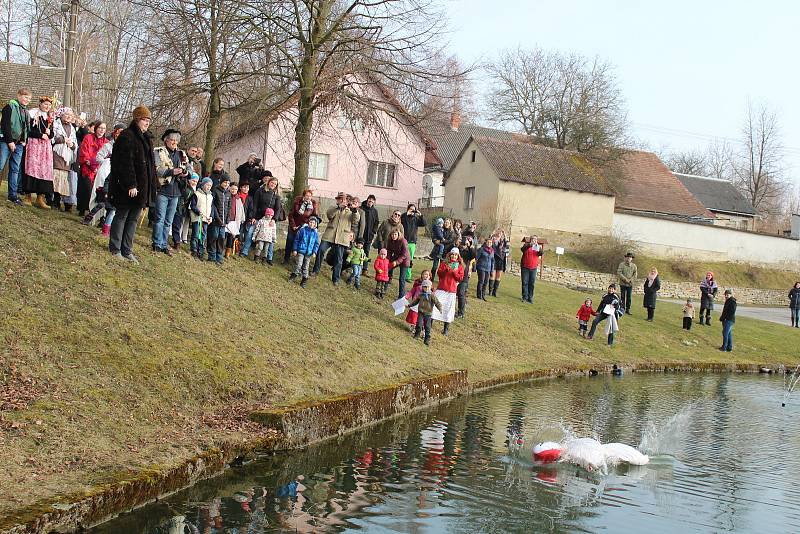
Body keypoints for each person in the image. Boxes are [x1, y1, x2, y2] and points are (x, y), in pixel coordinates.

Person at [108, 105, 156, 264]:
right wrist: (130, 185)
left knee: (133, 219)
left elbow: (149, 166)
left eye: (148, 119)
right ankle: (115, 248)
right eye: (144, 119)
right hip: (127, 187)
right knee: (121, 215)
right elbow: (124, 164)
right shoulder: (127, 136)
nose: (147, 122)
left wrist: (152, 186)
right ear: (136, 120)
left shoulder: (147, 138)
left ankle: (127, 249)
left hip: (142, 188)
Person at [151, 129, 189, 256]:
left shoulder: (181, 154)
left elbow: (188, 169)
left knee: (169, 221)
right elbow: (157, 170)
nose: (174, 142)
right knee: (160, 219)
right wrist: (172, 171)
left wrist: (185, 172)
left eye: (176, 140)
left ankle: (163, 243)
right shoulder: (158, 151)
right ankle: (156, 243)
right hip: (163, 190)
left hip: (176, 191)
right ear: (166, 140)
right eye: (172, 140)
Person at [85, 124, 124, 233]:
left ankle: (105, 221)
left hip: (117, 175)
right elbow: (98, 157)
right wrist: (108, 162)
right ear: (115, 133)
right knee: (102, 198)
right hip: (105, 173)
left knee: (113, 201)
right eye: (118, 132)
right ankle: (92, 216)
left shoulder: (126, 147)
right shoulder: (108, 146)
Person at [313, 192, 359, 284]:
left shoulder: (351, 211)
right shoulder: (333, 208)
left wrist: (354, 210)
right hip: (330, 235)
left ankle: (336, 279)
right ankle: (315, 270)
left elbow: (355, 220)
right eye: (339, 199)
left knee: (339, 258)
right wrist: (338, 207)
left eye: (343, 199)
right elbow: (329, 215)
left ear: (347, 201)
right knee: (321, 250)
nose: (341, 201)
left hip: (342, 237)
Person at [20, 95, 53, 209]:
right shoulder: (33, 114)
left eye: (49, 105)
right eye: (45, 104)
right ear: (40, 104)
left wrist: (50, 133)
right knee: (32, 168)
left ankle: (40, 197)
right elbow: (28, 130)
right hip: (34, 145)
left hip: (45, 148)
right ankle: (28, 196)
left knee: (44, 170)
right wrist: (40, 135)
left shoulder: (49, 117)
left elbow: (52, 134)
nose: (47, 107)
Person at [1, 88, 31, 205]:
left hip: (19, 144)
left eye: (28, 98)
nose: (26, 100)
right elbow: (5, 125)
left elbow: (25, 128)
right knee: (0, 164)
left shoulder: (25, 112)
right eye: (25, 97)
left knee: (15, 170)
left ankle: (12, 195)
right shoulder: (9, 107)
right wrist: (9, 141)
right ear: (18, 96)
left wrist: (24, 140)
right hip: (6, 141)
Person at [77, 122, 108, 216]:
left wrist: (98, 167)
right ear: (96, 128)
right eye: (100, 128)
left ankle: (94, 211)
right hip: (87, 167)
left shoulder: (106, 142)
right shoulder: (88, 137)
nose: (102, 130)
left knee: (97, 191)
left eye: (104, 128)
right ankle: (82, 209)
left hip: (99, 169)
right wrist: (89, 163)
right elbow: (84, 151)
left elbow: (106, 156)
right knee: (86, 189)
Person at [51, 107, 79, 212]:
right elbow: (53, 138)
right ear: (61, 115)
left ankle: (59, 200)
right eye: (66, 115)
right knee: (55, 176)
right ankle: (53, 200)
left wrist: (72, 145)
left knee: (63, 179)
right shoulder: (56, 124)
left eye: (70, 116)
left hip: (67, 156)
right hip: (57, 153)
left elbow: (75, 143)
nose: (68, 117)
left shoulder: (72, 128)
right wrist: (63, 139)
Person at [431, 247, 464, 336]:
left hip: (451, 291)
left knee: (448, 309)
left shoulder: (460, 266)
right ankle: (429, 324)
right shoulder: (444, 263)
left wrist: (454, 272)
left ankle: (445, 329)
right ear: (449, 255)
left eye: (456, 255)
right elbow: (439, 274)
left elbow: (460, 278)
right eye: (452, 254)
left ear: (458, 256)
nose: (453, 256)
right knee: (435, 305)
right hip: (442, 288)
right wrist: (446, 270)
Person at [282, 188, 318, 263]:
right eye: (307, 195)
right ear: (303, 196)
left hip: (304, 227)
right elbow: (291, 214)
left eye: (310, 196)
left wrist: (304, 225)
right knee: (290, 240)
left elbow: (314, 217)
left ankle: (298, 261)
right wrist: (293, 225)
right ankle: (286, 259)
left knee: (301, 242)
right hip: (294, 224)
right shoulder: (297, 202)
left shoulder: (313, 205)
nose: (308, 197)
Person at [408, 279, 443, 346]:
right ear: (422, 287)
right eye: (425, 287)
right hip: (421, 312)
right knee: (419, 324)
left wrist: (440, 308)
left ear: (430, 287)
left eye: (428, 287)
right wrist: (410, 305)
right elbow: (416, 301)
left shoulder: (432, 296)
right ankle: (417, 335)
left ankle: (427, 339)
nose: (426, 288)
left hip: (428, 313)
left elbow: (437, 302)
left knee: (427, 326)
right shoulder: (421, 295)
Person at [289, 216, 320, 288]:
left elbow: (316, 244)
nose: (312, 224)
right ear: (308, 222)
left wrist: (314, 252)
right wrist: (295, 249)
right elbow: (297, 240)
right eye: (310, 222)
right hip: (301, 251)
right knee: (299, 264)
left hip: (309, 253)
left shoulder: (315, 234)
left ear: (315, 224)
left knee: (306, 267)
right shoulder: (302, 230)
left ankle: (304, 280)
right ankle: (293, 275)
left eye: (313, 223)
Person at [208, 174, 231, 264]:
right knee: (214, 237)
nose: (226, 184)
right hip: (215, 220)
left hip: (224, 222)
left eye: (228, 183)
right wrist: (217, 218)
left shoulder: (228, 193)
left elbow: (229, 207)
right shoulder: (215, 190)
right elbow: (213, 206)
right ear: (221, 182)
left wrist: (227, 219)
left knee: (221, 238)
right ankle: (212, 255)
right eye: (225, 182)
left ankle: (219, 256)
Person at [189, 177, 213, 259]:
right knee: (196, 234)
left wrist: (211, 216)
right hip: (197, 218)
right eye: (207, 185)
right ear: (203, 184)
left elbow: (211, 207)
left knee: (203, 235)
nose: (208, 187)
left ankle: (201, 251)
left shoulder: (210, 196)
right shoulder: (197, 194)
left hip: (206, 219)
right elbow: (193, 205)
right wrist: (198, 212)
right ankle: (194, 249)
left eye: (210, 185)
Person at [401, 203, 426, 280]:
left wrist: (420, 215)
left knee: (410, 259)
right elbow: (401, 220)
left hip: (412, 242)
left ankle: (408, 276)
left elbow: (424, 223)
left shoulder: (416, 219)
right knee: (402, 258)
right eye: (410, 209)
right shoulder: (404, 217)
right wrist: (406, 214)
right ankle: (402, 274)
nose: (412, 211)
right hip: (404, 240)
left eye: (413, 209)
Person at [520, 235, 544, 303]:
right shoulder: (527, 245)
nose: (534, 240)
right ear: (530, 240)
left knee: (532, 283)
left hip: (533, 268)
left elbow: (541, 253)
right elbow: (522, 249)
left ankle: (530, 298)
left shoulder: (538, 247)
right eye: (533, 239)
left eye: (535, 239)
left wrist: (539, 248)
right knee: (525, 282)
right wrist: (530, 245)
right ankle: (525, 297)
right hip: (525, 267)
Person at [456, 236, 475, 318]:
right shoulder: (456, 250)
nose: (463, 245)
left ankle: (461, 312)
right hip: (454, 274)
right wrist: (456, 243)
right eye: (462, 243)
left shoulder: (468, 252)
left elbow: (474, 255)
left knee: (461, 293)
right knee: (453, 293)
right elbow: (448, 251)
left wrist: (470, 246)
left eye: (465, 244)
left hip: (464, 275)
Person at [359, 195, 379, 274]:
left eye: (372, 200)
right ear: (367, 200)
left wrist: (373, 231)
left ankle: (365, 269)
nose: (370, 201)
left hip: (369, 235)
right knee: (358, 250)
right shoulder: (361, 208)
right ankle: (355, 266)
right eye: (369, 200)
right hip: (360, 234)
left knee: (366, 251)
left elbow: (377, 222)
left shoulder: (374, 211)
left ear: (374, 202)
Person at [225, 182, 245, 258]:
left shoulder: (238, 198)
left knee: (231, 236)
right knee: (223, 235)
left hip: (234, 220)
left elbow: (241, 209)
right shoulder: (226, 195)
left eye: (236, 189)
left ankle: (228, 252)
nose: (234, 190)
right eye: (232, 189)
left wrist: (241, 219)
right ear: (229, 188)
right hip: (226, 219)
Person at [489, 229, 509, 297]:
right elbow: (489, 241)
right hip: (494, 258)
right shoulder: (494, 240)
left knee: (498, 276)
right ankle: (490, 291)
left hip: (501, 260)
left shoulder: (503, 241)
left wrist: (504, 234)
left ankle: (495, 292)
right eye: (499, 232)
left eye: (501, 233)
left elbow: (507, 244)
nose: (499, 234)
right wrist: (493, 233)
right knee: (492, 275)